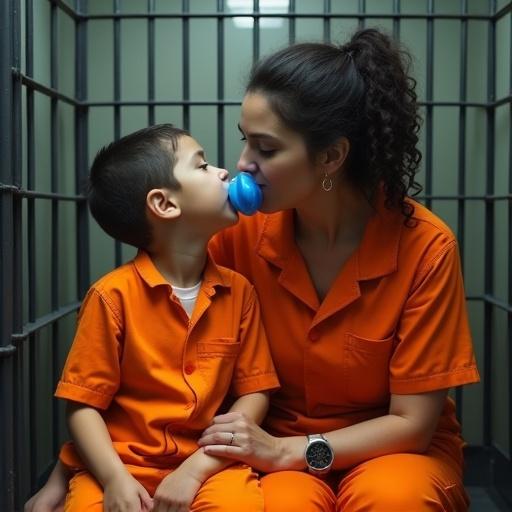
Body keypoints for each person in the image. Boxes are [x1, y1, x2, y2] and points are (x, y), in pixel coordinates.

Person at [26, 28, 479, 511]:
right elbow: (137, 378)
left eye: (266, 148)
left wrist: (290, 451)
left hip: (389, 452)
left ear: (331, 156)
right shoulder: (232, 237)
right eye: (246, 142)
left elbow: (412, 423)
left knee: (395, 499)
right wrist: (71, 474)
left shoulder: (426, 247)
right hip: (267, 448)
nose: (242, 164)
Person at [25, 124, 279, 512]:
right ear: (164, 204)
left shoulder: (239, 292)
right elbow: (83, 405)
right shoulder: (112, 297)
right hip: (121, 464)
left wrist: (197, 467)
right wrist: (113, 479)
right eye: (203, 165)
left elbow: (255, 391)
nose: (224, 172)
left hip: (210, 463)